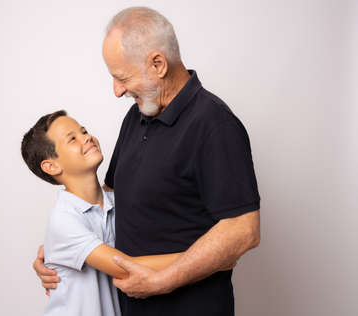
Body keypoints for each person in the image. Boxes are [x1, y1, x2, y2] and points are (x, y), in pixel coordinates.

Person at [34, 7, 261, 316]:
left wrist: (164, 280)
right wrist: (63, 250)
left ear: (158, 64)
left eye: (122, 77)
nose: (117, 91)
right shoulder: (139, 115)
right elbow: (111, 198)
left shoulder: (214, 125)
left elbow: (243, 230)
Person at [21, 110, 195, 316]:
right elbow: (126, 267)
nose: (86, 137)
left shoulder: (117, 203)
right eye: (72, 139)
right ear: (52, 166)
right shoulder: (64, 220)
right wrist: (204, 260)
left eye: (84, 131)